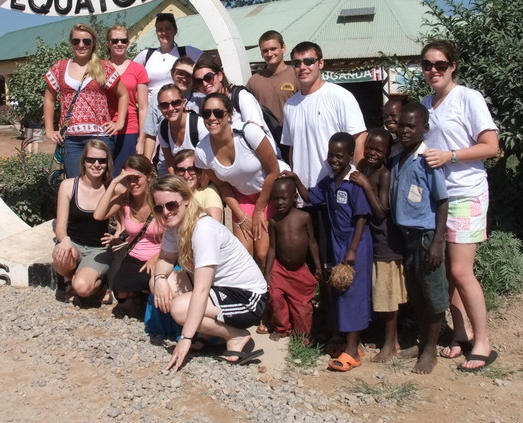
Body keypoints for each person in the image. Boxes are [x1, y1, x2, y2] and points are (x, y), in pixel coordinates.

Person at [419, 39, 499, 372]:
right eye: (427, 65)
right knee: (445, 274)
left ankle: (483, 342)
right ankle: (460, 332)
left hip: (466, 193)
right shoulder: (425, 104)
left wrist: (450, 156)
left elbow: (491, 146)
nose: (433, 70)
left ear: (453, 66)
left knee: (460, 271)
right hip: (438, 198)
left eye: (440, 64)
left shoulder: (468, 98)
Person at [149, 175, 268, 371]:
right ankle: (207, 333)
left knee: (179, 309)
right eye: (159, 208)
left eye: (171, 205)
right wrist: (160, 278)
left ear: (186, 200)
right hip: (218, 287)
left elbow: (202, 290)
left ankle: (236, 335)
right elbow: (166, 259)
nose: (166, 212)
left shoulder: (203, 229)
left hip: (247, 297)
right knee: (157, 283)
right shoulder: (175, 225)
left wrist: (185, 338)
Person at [285, 132, 374, 372]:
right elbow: (310, 197)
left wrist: (353, 248)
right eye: (331, 155)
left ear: (349, 155)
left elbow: (362, 217)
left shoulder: (354, 182)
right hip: (337, 246)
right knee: (340, 294)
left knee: (352, 295)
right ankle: (350, 342)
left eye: (339, 155)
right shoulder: (330, 181)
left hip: (354, 245)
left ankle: (353, 352)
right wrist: (295, 178)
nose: (334, 159)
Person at [389, 102, 450, 374]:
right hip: (406, 237)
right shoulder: (399, 156)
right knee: (417, 294)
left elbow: (442, 201)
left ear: (424, 129)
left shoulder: (427, 160)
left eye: (411, 126)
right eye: (401, 124)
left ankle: (430, 350)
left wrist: (437, 241)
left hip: (426, 237)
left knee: (432, 294)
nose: (404, 130)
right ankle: (423, 341)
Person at [194, 93, 284, 271]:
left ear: (229, 115)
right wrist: (241, 215)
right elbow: (221, 185)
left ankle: (271, 290)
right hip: (241, 197)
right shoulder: (201, 152)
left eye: (218, 113)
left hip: (270, 191)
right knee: (244, 254)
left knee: (262, 253)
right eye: (206, 114)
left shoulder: (248, 133)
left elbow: (274, 171)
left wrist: (259, 209)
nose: (212, 118)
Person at [349, 128, 407, 362]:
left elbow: (382, 212)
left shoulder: (383, 173)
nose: (372, 153)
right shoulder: (364, 166)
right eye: (369, 148)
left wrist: (365, 185)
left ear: (386, 152)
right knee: (376, 291)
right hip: (370, 239)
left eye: (378, 150)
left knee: (387, 294)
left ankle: (391, 342)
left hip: (385, 242)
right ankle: (385, 338)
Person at [44, 23, 129, 178]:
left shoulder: (103, 67)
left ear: (93, 44)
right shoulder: (60, 67)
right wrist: (49, 129)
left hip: (100, 137)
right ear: (71, 43)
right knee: (75, 185)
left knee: (102, 186)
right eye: (76, 41)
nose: (81, 45)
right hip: (71, 140)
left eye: (86, 41)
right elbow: (49, 99)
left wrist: (119, 122)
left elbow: (123, 94)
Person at [281, 41, 367, 192]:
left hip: (336, 191)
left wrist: (358, 184)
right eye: (296, 63)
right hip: (303, 193)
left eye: (309, 61)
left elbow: (359, 138)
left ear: (320, 63)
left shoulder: (340, 96)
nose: (303, 67)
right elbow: (292, 149)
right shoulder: (290, 105)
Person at [52, 140, 114, 303]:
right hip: (75, 245)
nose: (96, 164)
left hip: (98, 250)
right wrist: (65, 240)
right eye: (91, 159)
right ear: (83, 162)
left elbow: (125, 221)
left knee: (82, 288)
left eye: (101, 160)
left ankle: (98, 285)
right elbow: (60, 227)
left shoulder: (111, 189)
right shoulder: (68, 186)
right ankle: (75, 278)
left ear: (107, 163)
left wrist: (119, 236)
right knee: (60, 256)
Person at [94, 154, 162, 303]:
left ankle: (145, 298)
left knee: (146, 283)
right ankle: (141, 295)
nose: (132, 184)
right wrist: (114, 183)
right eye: (128, 179)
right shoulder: (125, 199)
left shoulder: (160, 199)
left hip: (159, 255)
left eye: (137, 178)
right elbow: (99, 215)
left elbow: (175, 235)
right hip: (134, 255)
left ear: (149, 177)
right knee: (120, 292)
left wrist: (157, 258)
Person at [264, 178, 321, 341]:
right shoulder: (274, 221)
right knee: (275, 298)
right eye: (276, 198)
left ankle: (302, 333)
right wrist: (267, 272)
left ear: (295, 197)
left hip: (299, 270)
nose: (279, 202)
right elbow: (273, 248)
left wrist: (317, 266)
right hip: (280, 269)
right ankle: (282, 328)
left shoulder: (304, 217)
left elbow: (312, 243)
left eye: (284, 198)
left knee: (302, 306)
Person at [193, 56, 275, 145]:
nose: (204, 84)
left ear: (220, 76)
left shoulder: (241, 96)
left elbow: (256, 132)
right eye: (198, 81)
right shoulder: (206, 106)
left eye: (208, 77)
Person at [105, 24, 149, 172]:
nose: (119, 44)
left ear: (128, 43)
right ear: (108, 43)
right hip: (103, 129)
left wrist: (141, 140)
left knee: (125, 176)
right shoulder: (99, 67)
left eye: (123, 41)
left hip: (129, 129)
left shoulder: (138, 69)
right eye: (115, 40)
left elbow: (143, 108)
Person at [142, 57, 198, 175]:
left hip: (195, 165)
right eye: (180, 73)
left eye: (188, 75)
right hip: (167, 163)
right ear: (172, 74)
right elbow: (151, 134)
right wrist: (146, 169)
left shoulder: (200, 100)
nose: (184, 78)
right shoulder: (159, 97)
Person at [133, 13, 203, 100]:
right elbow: (129, 76)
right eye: (160, 29)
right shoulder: (146, 55)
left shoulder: (186, 51)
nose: (164, 33)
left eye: (167, 29)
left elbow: (212, 65)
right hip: (152, 109)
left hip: (178, 107)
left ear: (175, 30)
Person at [245, 31, 299, 125]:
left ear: (283, 48)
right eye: (265, 51)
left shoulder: (297, 75)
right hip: (266, 137)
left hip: (294, 135)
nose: (269, 54)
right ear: (261, 53)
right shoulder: (254, 81)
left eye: (273, 49)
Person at [156, 83, 208, 173]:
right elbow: (170, 164)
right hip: (182, 179)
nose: (171, 108)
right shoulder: (162, 127)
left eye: (175, 103)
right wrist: (178, 185)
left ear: (183, 103)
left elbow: (208, 164)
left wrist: (199, 186)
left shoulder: (199, 125)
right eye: (164, 105)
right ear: (159, 108)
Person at [173, 149, 223, 222]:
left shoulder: (208, 193)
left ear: (199, 172)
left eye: (192, 169)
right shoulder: (172, 195)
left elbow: (213, 227)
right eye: (181, 170)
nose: (186, 176)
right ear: (175, 173)